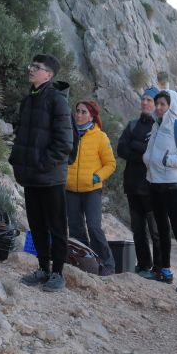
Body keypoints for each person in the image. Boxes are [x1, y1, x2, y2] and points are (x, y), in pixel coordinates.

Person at [9, 54, 74, 293]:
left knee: (56, 227)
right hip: (32, 176)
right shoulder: (29, 100)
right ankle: (43, 268)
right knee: (36, 225)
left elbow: (64, 143)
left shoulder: (57, 100)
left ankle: (57, 273)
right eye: (31, 65)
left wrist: (43, 164)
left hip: (50, 176)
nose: (31, 69)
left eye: (37, 67)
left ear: (49, 74)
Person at [142, 89, 177, 294]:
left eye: (162, 104)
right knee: (162, 230)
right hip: (155, 184)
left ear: (171, 105)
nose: (158, 108)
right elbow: (150, 152)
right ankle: (165, 271)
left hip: (173, 185)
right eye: (157, 104)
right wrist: (148, 160)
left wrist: (169, 161)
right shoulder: (156, 126)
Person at [66, 100, 117, 275]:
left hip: (92, 190)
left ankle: (108, 265)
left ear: (92, 116)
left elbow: (110, 164)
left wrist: (96, 177)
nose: (79, 115)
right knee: (75, 228)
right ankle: (86, 262)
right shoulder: (68, 133)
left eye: (83, 112)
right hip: (70, 189)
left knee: (94, 227)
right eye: (77, 111)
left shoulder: (100, 137)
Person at [116, 87, 161, 278]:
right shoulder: (133, 125)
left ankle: (159, 268)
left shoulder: (159, 127)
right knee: (137, 229)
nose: (144, 103)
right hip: (132, 185)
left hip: (152, 187)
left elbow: (155, 154)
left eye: (149, 100)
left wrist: (135, 147)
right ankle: (143, 265)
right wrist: (142, 151)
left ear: (157, 105)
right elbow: (121, 150)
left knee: (156, 231)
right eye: (143, 99)